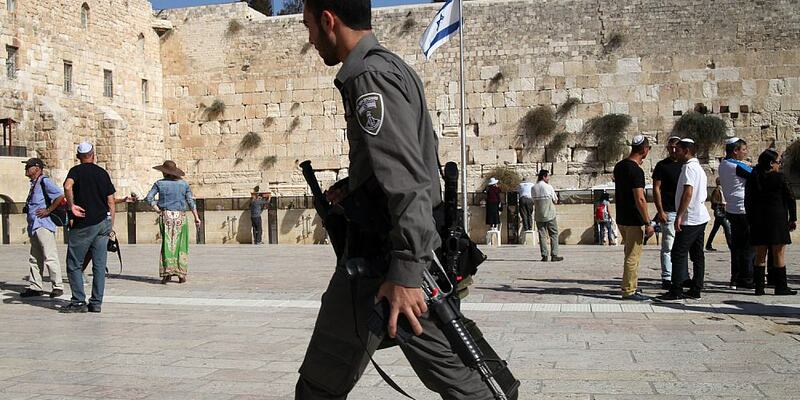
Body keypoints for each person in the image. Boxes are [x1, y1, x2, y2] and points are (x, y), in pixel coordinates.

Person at [296, 1, 498, 398]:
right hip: (382, 260)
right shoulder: (388, 66)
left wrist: (406, 272)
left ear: (328, 21)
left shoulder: (369, 76)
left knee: (462, 380)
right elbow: (403, 162)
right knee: (322, 384)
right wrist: (355, 189)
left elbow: (408, 181)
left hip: (389, 265)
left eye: (308, 26)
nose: (310, 39)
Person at [61, 142, 115, 313]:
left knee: (74, 263)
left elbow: (67, 186)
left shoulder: (75, 171)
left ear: (78, 157)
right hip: (102, 223)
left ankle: (78, 301)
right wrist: (110, 226)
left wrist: (71, 206)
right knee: (99, 265)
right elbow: (111, 201)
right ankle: (96, 302)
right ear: (93, 154)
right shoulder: (102, 173)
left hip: (84, 224)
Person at [659, 138, 709, 300]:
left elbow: (688, 192)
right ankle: (696, 288)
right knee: (697, 254)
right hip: (700, 216)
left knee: (678, 253)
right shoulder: (698, 168)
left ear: (686, 151)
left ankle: (676, 289)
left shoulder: (689, 168)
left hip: (690, 218)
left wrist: (679, 215)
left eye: (678, 149)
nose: (675, 152)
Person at [745, 149, 797, 296]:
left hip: (758, 220)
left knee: (760, 255)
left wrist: (750, 220)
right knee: (779, 254)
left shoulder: (753, 178)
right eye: (778, 162)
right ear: (771, 163)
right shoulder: (780, 178)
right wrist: (792, 218)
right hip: (777, 220)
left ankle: (759, 288)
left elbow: (747, 201)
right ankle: (781, 287)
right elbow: (791, 199)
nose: (779, 165)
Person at [145, 160, 201, 284]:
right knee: (181, 244)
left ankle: (167, 274)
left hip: (166, 216)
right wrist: (196, 217)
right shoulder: (184, 184)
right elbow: (191, 202)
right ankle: (181, 274)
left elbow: (149, 198)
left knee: (167, 244)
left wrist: (157, 209)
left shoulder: (159, 184)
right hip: (180, 216)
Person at [613, 135, 654, 301]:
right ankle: (629, 291)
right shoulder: (636, 171)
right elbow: (640, 199)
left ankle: (631, 284)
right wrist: (648, 222)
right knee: (633, 256)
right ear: (644, 149)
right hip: (633, 219)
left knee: (629, 253)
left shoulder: (619, 166)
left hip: (621, 218)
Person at [19, 157, 65, 298]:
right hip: (34, 224)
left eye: (29, 166)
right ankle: (35, 286)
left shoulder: (45, 181)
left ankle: (57, 286)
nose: (26, 169)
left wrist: (48, 210)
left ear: (37, 168)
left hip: (43, 224)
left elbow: (60, 196)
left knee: (49, 255)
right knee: (34, 257)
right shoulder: (34, 184)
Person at [719, 137, 754, 290]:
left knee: (737, 246)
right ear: (735, 151)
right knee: (748, 246)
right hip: (743, 209)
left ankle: (735, 277)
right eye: (744, 149)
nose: (746, 153)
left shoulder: (723, 164)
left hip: (731, 210)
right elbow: (757, 175)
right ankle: (746, 278)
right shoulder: (737, 166)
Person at [652, 136, 683, 290]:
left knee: (683, 247)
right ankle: (667, 276)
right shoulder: (662, 166)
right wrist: (660, 211)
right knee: (668, 246)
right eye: (671, 147)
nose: (673, 149)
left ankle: (682, 275)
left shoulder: (686, 165)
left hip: (684, 212)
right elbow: (656, 188)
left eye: (676, 147)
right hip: (669, 211)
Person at [532, 169, 562, 262]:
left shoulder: (533, 188)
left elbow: (533, 200)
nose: (549, 178)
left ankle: (544, 255)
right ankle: (554, 255)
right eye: (548, 176)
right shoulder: (548, 187)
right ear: (544, 177)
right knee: (553, 234)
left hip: (539, 215)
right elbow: (555, 200)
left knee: (542, 235)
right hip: (550, 214)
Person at [706, 177, 731, 251]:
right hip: (720, 213)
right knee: (727, 229)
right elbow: (713, 200)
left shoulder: (722, 190)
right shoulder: (717, 190)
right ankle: (731, 246)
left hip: (721, 213)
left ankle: (708, 245)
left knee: (714, 230)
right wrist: (722, 203)